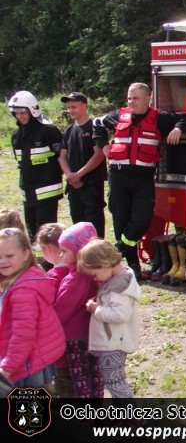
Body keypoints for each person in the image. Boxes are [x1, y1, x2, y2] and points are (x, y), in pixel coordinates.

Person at [93, 82, 186, 279]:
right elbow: (97, 124)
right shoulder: (118, 115)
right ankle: (133, 266)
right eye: (129, 98)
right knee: (121, 221)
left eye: (136, 98)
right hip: (118, 176)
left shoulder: (159, 118)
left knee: (141, 221)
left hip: (143, 178)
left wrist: (178, 129)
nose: (131, 102)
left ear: (148, 98)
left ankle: (117, 252)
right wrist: (103, 146)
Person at [0, 227, 66, 389]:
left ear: (26, 253)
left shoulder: (23, 292)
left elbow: (23, 334)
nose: (2, 261)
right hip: (29, 360)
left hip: (26, 364)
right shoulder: (26, 276)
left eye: (9, 256)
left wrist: (8, 367)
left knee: (29, 412)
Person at [78, 238, 140, 398]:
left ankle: (133, 420)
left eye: (94, 274)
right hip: (114, 341)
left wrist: (96, 309)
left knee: (116, 385)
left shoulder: (117, 289)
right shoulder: (119, 278)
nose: (94, 279)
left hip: (114, 344)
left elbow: (120, 314)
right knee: (115, 383)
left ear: (105, 264)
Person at [55, 222, 104, 398]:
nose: (60, 255)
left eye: (64, 251)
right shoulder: (94, 273)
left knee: (79, 378)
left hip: (74, 338)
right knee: (95, 374)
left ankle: (83, 417)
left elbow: (61, 311)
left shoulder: (74, 279)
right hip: (93, 334)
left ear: (78, 252)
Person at [8, 91, 64, 240]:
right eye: (17, 113)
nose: (20, 116)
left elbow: (63, 156)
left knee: (46, 230)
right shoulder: (16, 135)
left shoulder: (48, 131)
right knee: (31, 229)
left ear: (32, 110)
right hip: (28, 190)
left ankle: (47, 262)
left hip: (47, 189)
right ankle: (37, 260)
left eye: (23, 112)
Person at [58, 92, 108, 237]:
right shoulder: (68, 131)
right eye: (68, 108)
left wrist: (79, 175)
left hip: (91, 185)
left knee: (94, 226)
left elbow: (99, 154)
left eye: (73, 107)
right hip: (74, 186)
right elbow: (62, 156)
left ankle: (97, 257)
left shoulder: (94, 128)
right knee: (77, 224)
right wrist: (70, 176)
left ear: (84, 106)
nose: (70, 110)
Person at [33, 222, 73, 397]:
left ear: (46, 248)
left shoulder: (51, 278)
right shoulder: (78, 270)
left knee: (64, 384)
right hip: (83, 339)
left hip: (59, 345)